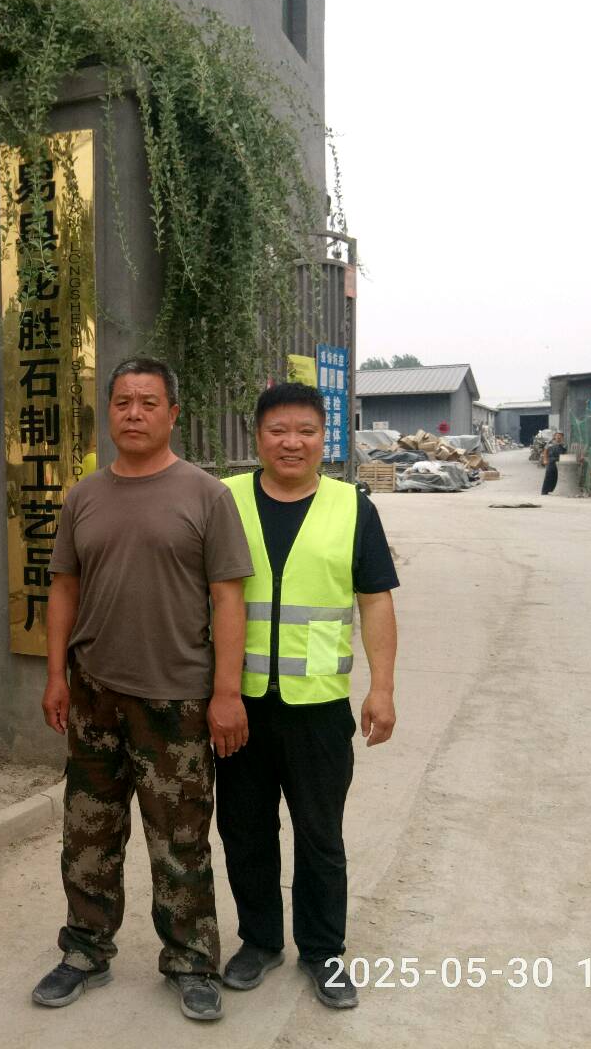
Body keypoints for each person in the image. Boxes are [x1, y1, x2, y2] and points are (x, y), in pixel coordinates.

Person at [32, 357, 253, 1022]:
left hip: (176, 700)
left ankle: (191, 961)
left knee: (179, 839)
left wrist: (226, 693)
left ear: (172, 414)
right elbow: (63, 588)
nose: (133, 413)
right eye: (122, 401)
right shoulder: (84, 497)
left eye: (148, 402)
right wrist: (55, 675)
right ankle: (84, 950)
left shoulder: (206, 495)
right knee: (87, 833)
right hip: (94, 693)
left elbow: (229, 599)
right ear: (109, 411)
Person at [215, 381, 398, 1010]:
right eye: (278, 430)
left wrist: (382, 688)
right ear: (257, 437)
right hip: (239, 703)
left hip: (318, 706)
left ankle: (323, 951)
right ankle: (260, 940)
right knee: (245, 830)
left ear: (326, 438)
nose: (291, 443)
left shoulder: (352, 507)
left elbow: (375, 601)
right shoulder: (225, 500)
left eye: (306, 431)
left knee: (320, 835)